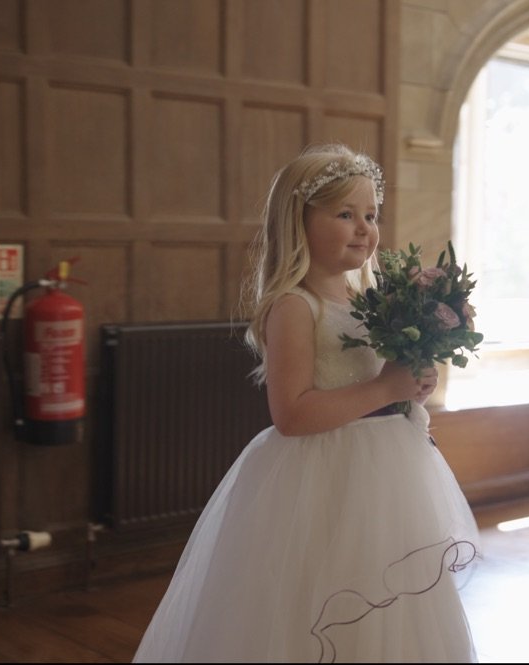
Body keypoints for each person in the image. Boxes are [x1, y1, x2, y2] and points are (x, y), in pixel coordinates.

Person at [132, 144, 480, 663]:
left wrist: (413, 382)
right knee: (314, 596)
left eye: (371, 215)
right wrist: (386, 389)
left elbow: (378, 379)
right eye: (345, 214)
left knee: (389, 594)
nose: (365, 228)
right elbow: (292, 415)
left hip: (385, 476)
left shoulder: (369, 302)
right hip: (320, 475)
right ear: (299, 222)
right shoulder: (296, 306)